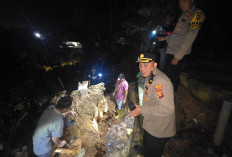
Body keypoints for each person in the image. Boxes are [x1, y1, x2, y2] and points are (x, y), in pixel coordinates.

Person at [131, 53, 176, 157]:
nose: (142, 68)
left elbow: (167, 108)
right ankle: (144, 150)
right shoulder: (151, 74)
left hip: (158, 128)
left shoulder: (161, 82)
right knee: (147, 142)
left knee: (153, 151)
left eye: (145, 65)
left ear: (154, 65)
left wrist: (142, 110)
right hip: (151, 122)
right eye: (140, 65)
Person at [157, 0, 205, 92]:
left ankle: (170, 101)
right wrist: (165, 38)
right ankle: (163, 98)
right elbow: (177, 34)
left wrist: (178, 57)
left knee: (172, 79)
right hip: (171, 50)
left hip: (178, 53)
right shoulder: (184, 14)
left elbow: (190, 37)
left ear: (191, 1)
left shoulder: (197, 14)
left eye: (184, 1)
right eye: (179, 1)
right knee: (166, 76)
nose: (181, 4)